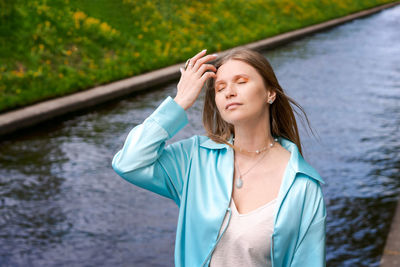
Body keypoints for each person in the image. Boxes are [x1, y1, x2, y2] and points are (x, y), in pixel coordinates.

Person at [112, 48, 326, 267]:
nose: (229, 92)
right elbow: (129, 162)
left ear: (270, 93)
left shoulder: (303, 186)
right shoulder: (194, 159)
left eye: (241, 82)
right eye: (220, 88)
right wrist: (179, 102)